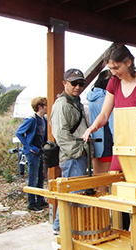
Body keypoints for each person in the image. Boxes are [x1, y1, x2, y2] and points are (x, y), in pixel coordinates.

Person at [82, 43, 136, 230]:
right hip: (122, 146)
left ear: (128, 62)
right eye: (110, 69)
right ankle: (122, 233)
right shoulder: (113, 82)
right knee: (118, 190)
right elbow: (104, 114)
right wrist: (92, 126)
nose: (114, 72)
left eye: (117, 67)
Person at [50, 68, 90, 234]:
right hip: (72, 157)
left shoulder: (75, 103)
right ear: (64, 83)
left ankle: (65, 227)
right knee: (73, 193)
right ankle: (61, 228)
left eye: (81, 83)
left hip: (79, 155)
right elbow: (60, 133)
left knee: (75, 192)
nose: (78, 87)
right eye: (74, 83)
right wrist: (78, 152)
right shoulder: (62, 105)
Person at [15, 97, 48, 212]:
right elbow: (19, 133)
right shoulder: (31, 120)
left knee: (40, 176)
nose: (48, 107)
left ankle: (40, 199)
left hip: (40, 151)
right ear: (40, 107)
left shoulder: (43, 120)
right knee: (33, 177)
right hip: (32, 152)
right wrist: (28, 147)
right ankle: (31, 202)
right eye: (46, 105)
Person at [86, 70, 113, 179]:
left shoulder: (92, 97)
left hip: (96, 141)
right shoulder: (105, 98)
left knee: (98, 176)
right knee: (106, 179)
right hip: (106, 140)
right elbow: (111, 119)